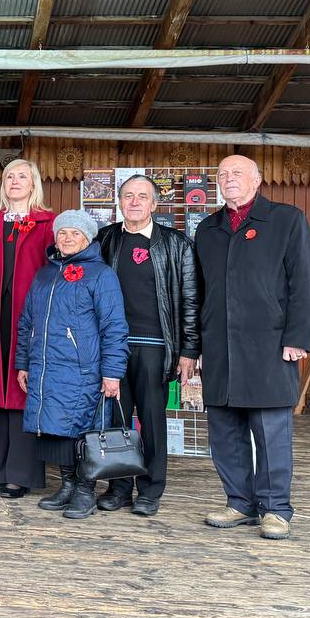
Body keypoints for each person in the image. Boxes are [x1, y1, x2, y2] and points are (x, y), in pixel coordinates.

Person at [195, 154, 310, 540]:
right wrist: (197, 345)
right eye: (222, 174)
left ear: (257, 180)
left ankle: (275, 508)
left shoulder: (286, 220)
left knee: (270, 432)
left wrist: (297, 337)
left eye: (237, 173)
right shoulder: (207, 229)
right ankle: (239, 503)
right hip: (219, 346)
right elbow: (200, 293)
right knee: (224, 431)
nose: (228, 179)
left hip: (270, 345)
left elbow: (303, 282)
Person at [95, 175, 201, 516]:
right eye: (128, 195)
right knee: (116, 420)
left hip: (156, 346)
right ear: (119, 202)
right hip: (114, 347)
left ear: (155, 204)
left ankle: (151, 490)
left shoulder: (176, 243)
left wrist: (189, 350)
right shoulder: (105, 239)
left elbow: (190, 299)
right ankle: (119, 488)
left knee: (153, 421)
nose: (135, 202)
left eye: (142, 196)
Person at [16, 210, 129, 519]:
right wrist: (23, 363)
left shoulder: (101, 275)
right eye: (62, 233)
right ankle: (67, 485)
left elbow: (114, 327)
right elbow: (26, 322)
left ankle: (85, 491)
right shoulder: (45, 274)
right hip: (47, 368)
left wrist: (112, 373)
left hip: (83, 369)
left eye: (75, 233)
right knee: (57, 430)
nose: (67, 238)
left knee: (83, 431)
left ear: (87, 239)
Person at [0, 158, 56, 500]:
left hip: (30, 318)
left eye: (22, 176)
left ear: (33, 183)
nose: (14, 181)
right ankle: (1, 468)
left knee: (23, 391)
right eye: (9, 176)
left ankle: (20, 474)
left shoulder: (48, 224)